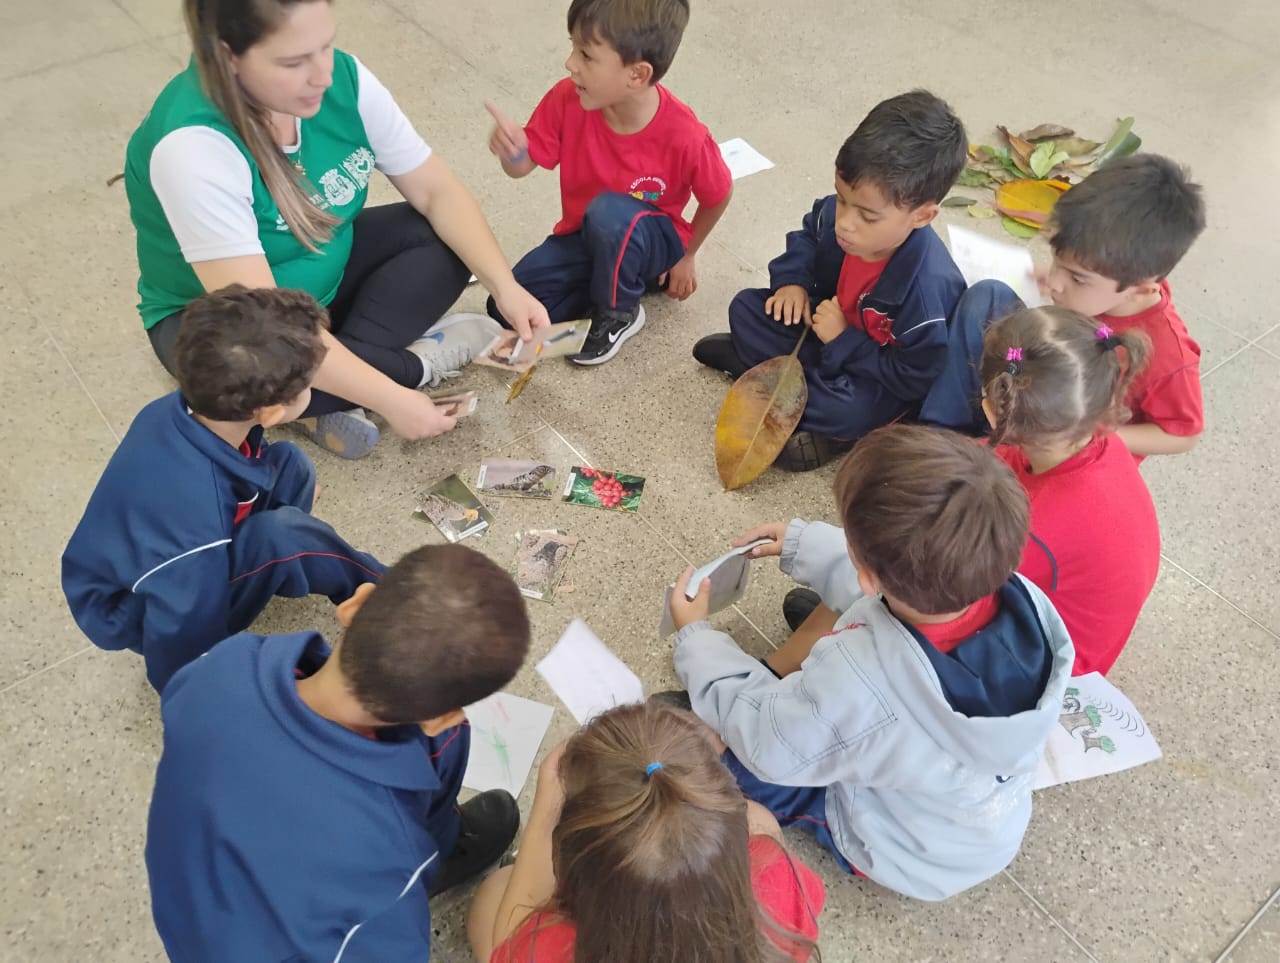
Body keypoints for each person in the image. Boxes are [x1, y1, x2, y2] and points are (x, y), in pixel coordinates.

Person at [126, 0, 550, 460]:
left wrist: (504, 286)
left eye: (326, 46)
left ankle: (311, 396)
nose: (323, 76)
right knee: (241, 381)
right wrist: (396, 395)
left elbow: (436, 192)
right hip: (226, 325)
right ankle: (412, 364)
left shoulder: (344, 80)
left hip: (321, 279)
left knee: (441, 242)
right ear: (228, 56)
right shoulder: (193, 149)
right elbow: (267, 326)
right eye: (294, 62)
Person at [668, 424, 1075, 901]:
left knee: (715, 751)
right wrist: (802, 544)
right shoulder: (1020, 598)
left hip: (892, 846)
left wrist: (697, 641)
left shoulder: (858, 678)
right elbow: (901, 576)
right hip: (964, 828)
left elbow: (771, 742)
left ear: (868, 575)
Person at [147, 544, 531, 961]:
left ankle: (446, 840)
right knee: (450, 749)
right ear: (440, 718)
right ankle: (441, 854)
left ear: (354, 605)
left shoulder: (222, 663)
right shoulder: (390, 859)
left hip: (186, 907)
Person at [61, 286, 385, 692]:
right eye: (310, 384)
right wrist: (199, 690)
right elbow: (177, 643)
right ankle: (387, 596)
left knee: (290, 462)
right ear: (270, 413)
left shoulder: (183, 409)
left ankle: (274, 562)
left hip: (153, 553)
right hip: (138, 607)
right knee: (283, 536)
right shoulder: (193, 529)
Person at [693, 91, 967, 471]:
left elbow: (914, 378)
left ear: (922, 216)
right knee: (746, 309)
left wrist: (844, 341)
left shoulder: (924, 293)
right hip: (823, 333)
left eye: (867, 216)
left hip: (872, 375)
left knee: (850, 410)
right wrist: (792, 283)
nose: (845, 223)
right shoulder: (842, 214)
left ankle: (818, 419)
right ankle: (791, 389)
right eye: (842, 199)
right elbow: (808, 236)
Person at [467, 702, 825, 962]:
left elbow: (508, 946)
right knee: (762, 823)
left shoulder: (549, 948)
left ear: (573, 870)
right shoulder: (783, 883)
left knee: (492, 894)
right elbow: (756, 826)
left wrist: (545, 812)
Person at [484, 0, 733, 365]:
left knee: (609, 211)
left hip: (652, 243)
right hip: (585, 238)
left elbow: (718, 194)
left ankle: (620, 312)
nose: (570, 63)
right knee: (505, 308)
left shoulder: (684, 134)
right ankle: (611, 283)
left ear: (637, 75)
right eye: (573, 47)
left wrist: (688, 254)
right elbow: (522, 167)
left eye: (586, 55)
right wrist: (513, 151)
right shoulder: (566, 98)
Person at [979, 306, 1159, 675]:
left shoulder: (1031, 524)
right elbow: (1001, 456)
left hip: (1052, 666)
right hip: (1082, 626)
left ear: (993, 411)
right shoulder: (1102, 442)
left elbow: (960, 585)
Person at [1042, 154, 1207, 460]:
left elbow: (1182, 435)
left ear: (1140, 289)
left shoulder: (1168, 355)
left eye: (1077, 278)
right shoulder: (1106, 289)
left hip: (1081, 459)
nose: (1053, 282)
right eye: (1055, 262)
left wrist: (1092, 436)